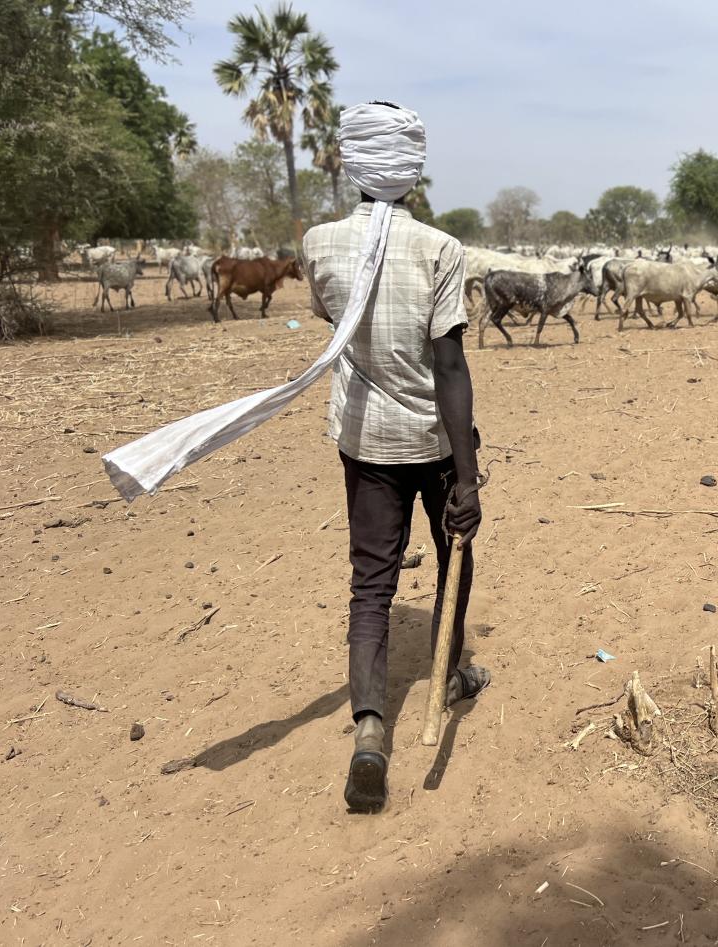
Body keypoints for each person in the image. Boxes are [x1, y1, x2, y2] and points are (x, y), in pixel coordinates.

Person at [302, 102, 487, 814]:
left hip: (364, 442)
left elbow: (337, 323)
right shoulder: (440, 249)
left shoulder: (318, 244)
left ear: (353, 164)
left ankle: (371, 732)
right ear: (413, 169)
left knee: (371, 584)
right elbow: (450, 365)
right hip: (434, 444)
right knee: (454, 557)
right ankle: (447, 678)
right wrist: (466, 477)